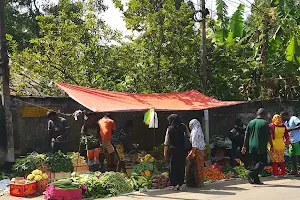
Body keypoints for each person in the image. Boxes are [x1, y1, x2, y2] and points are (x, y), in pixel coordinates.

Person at [242, 108, 273, 185]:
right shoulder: (264, 123)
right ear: (264, 115)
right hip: (261, 146)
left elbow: (246, 135)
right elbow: (268, 136)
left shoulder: (251, 122)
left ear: (257, 114)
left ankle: (256, 180)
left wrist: (244, 146)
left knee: (255, 163)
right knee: (263, 162)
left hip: (251, 146)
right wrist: (271, 144)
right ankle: (251, 173)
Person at [164, 114, 186, 191]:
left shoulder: (170, 129)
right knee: (181, 167)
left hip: (173, 151)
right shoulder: (183, 127)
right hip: (182, 150)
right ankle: (180, 185)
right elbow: (188, 137)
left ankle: (174, 185)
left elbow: (167, 142)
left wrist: (165, 153)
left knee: (173, 168)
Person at [186, 119, 205, 188]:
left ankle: (198, 183)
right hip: (202, 150)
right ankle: (201, 182)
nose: (190, 127)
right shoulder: (200, 130)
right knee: (201, 166)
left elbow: (194, 144)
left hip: (197, 151)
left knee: (196, 167)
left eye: (190, 125)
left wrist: (192, 153)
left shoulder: (194, 132)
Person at [281, 111, 300, 176]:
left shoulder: (294, 118)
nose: (281, 118)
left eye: (282, 117)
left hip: (298, 139)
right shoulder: (286, 123)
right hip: (291, 141)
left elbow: (299, 126)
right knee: (292, 156)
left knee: (298, 156)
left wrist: (290, 129)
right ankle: (294, 170)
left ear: (286, 115)